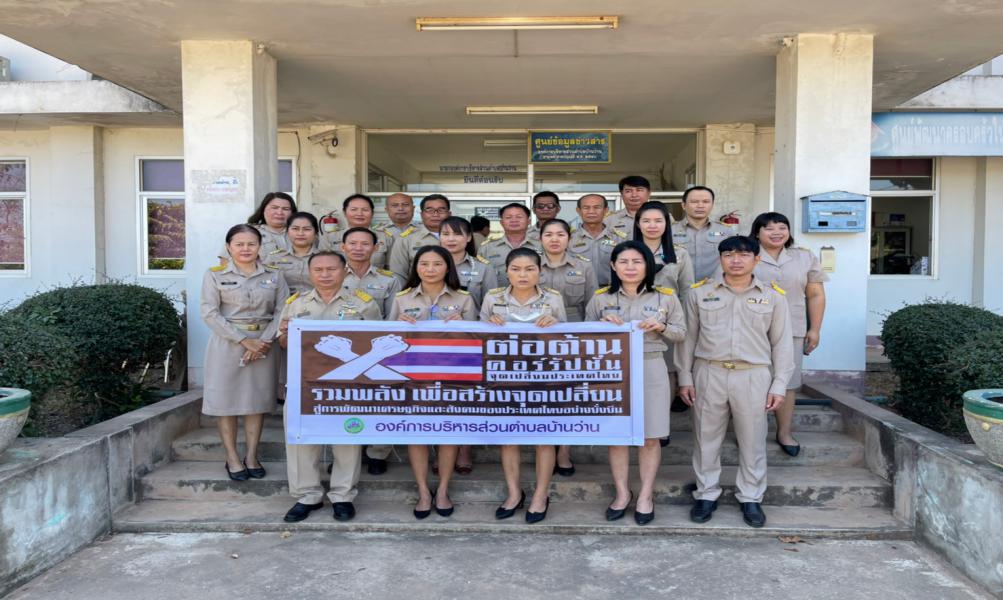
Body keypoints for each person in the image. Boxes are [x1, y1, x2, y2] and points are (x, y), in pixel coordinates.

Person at [676, 236, 795, 528]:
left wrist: (779, 384)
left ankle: (751, 497)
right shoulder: (699, 294)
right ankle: (706, 493)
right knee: (705, 438)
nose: (736, 260)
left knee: (753, 440)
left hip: (753, 374)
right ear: (721, 259)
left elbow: (782, 344)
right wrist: (684, 377)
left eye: (743, 255)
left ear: (757, 259)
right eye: (729, 254)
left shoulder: (773, 296)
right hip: (709, 372)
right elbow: (687, 339)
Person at [276, 251, 382, 523]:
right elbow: (283, 343)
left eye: (331, 269)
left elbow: (375, 341)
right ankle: (307, 495)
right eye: (318, 269)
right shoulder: (296, 303)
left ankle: (342, 496)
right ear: (309, 273)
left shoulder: (363, 304)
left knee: (347, 437)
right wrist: (286, 334)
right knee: (301, 439)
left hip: (348, 385)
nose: (325, 274)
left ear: (344, 271)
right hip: (304, 383)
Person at [586, 241, 686, 525]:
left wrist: (662, 327)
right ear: (613, 266)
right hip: (611, 370)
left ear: (648, 266)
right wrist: (601, 326)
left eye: (637, 262)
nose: (630, 267)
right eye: (624, 262)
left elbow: (681, 332)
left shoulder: (666, 297)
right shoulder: (600, 299)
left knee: (650, 437)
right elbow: (583, 336)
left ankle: (645, 495)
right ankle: (622, 493)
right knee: (617, 435)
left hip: (651, 366)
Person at [389, 246, 477, 519]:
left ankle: (443, 490)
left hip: (452, 377)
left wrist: (463, 326)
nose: (430, 269)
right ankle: (423, 491)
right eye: (424, 263)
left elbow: (478, 341)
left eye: (437, 264)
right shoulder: (402, 298)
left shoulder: (463, 298)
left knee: (448, 433)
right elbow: (387, 339)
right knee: (417, 434)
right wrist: (399, 325)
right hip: (414, 378)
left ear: (447, 267)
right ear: (415, 267)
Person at [480, 248, 567, 523]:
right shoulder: (492, 298)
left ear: (540, 272)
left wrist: (556, 325)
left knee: (544, 439)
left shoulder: (553, 298)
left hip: (544, 377)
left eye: (530, 269)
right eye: (516, 269)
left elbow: (567, 340)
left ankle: (541, 496)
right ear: (506, 272)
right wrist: (488, 326)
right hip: (504, 377)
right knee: (509, 437)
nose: (523, 275)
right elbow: (477, 339)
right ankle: (514, 493)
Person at [201, 224, 288, 483]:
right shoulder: (214, 274)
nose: (245, 249)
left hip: (265, 344)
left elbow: (283, 310)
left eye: (251, 243)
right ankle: (232, 457)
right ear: (228, 247)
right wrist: (244, 341)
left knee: (256, 403)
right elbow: (209, 312)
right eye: (239, 244)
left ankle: (251, 456)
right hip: (228, 344)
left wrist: (263, 341)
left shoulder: (275, 275)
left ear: (260, 246)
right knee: (225, 404)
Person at [750, 212, 827, 457]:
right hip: (751, 329)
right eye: (769, 228)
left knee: (788, 381)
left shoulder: (803, 257)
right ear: (757, 233)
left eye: (782, 227)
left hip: (792, 329)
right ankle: (751, 434)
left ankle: (784, 432)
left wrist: (814, 329)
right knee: (751, 382)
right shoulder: (746, 254)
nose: (776, 232)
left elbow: (815, 294)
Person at [634, 201, 696, 418]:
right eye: (646, 221)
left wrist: (683, 322)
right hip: (632, 317)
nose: (652, 226)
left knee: (667, 368)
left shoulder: (679, 253)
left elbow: (687, 290)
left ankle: (661, 422)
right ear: (638, 224)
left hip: (666, 320)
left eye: (658, 221)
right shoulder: (626, 251)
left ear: (667, 224)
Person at [671, 186, 737, 281]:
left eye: (706, 202)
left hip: (714, 286)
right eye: (694, 202)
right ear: (683, 205)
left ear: (712, 205)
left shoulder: (726, 231)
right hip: (679, 286)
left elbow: (733, 259)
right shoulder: (670, 230)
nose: (700, 205)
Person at [341, 227, 403, 320]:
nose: (358, 248)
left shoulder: (389, 280)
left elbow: (392, 317)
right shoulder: (331, 278)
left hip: (378, 328)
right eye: (352, 243)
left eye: (365, 244)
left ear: (375, 248)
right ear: (343, 247)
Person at [320, 194, 394, 269]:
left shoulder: (385, 237)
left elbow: (391, 268)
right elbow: (322, 266)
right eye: (354, 209)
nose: (359, 214)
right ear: (344, 212)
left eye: (365, 210)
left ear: (372, 213)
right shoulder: (329, 238)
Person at [439, 216, 497, 310]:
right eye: (445, 234)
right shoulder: (427, 265)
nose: (451, 239)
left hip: (472, 318)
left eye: (457, 234)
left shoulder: (483, 267)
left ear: (469, 237)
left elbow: (492, 304)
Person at [219, 192, 296, 262]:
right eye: (274, 208)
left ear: (292, 212)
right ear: (263, 209)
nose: (279, 212)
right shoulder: (245, 232)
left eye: (285, 209)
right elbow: (225, 261)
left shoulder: (299, 233)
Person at [388, 194, 451, 278]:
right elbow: (398, 275)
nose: (435, 214)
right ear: (422, 214)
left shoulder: (461, 238)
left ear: (449, 214)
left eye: (441, 210)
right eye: (429, 210)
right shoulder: (405, 239)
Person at [477, 203, 541, 287]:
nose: (514, 220)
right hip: (496, 295)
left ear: (528, 221)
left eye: (519, 217)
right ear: (501, 222)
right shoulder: (487, 248)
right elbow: (479, 276)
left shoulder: (541, 246)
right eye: (508, 217)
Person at [570, 193, 627, 287]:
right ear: (578, 211)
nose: (591, 211)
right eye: (586, 207)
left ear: (606, 210)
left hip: (611, 290)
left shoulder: (620, 239)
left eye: (597, 207)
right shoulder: (569, 239)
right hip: (578, 290)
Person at [263, 212, 320, 296]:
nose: (300, 233)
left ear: (316, 233)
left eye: (307, 229)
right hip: (283, 302)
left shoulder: (326, 259)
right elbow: (265, 285)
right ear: (287, 232)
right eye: (295, 229)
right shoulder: (274, 258)